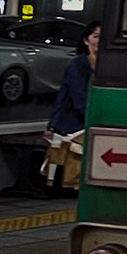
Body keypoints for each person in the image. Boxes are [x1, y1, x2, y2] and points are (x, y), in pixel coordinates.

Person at [43, 19, 99, 195]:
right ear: (86, 40)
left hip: (88, 116)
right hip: (71, 120)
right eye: (96, 36)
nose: (100, 40)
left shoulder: (106, 65)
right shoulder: (77, 64)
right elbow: (78, 98)